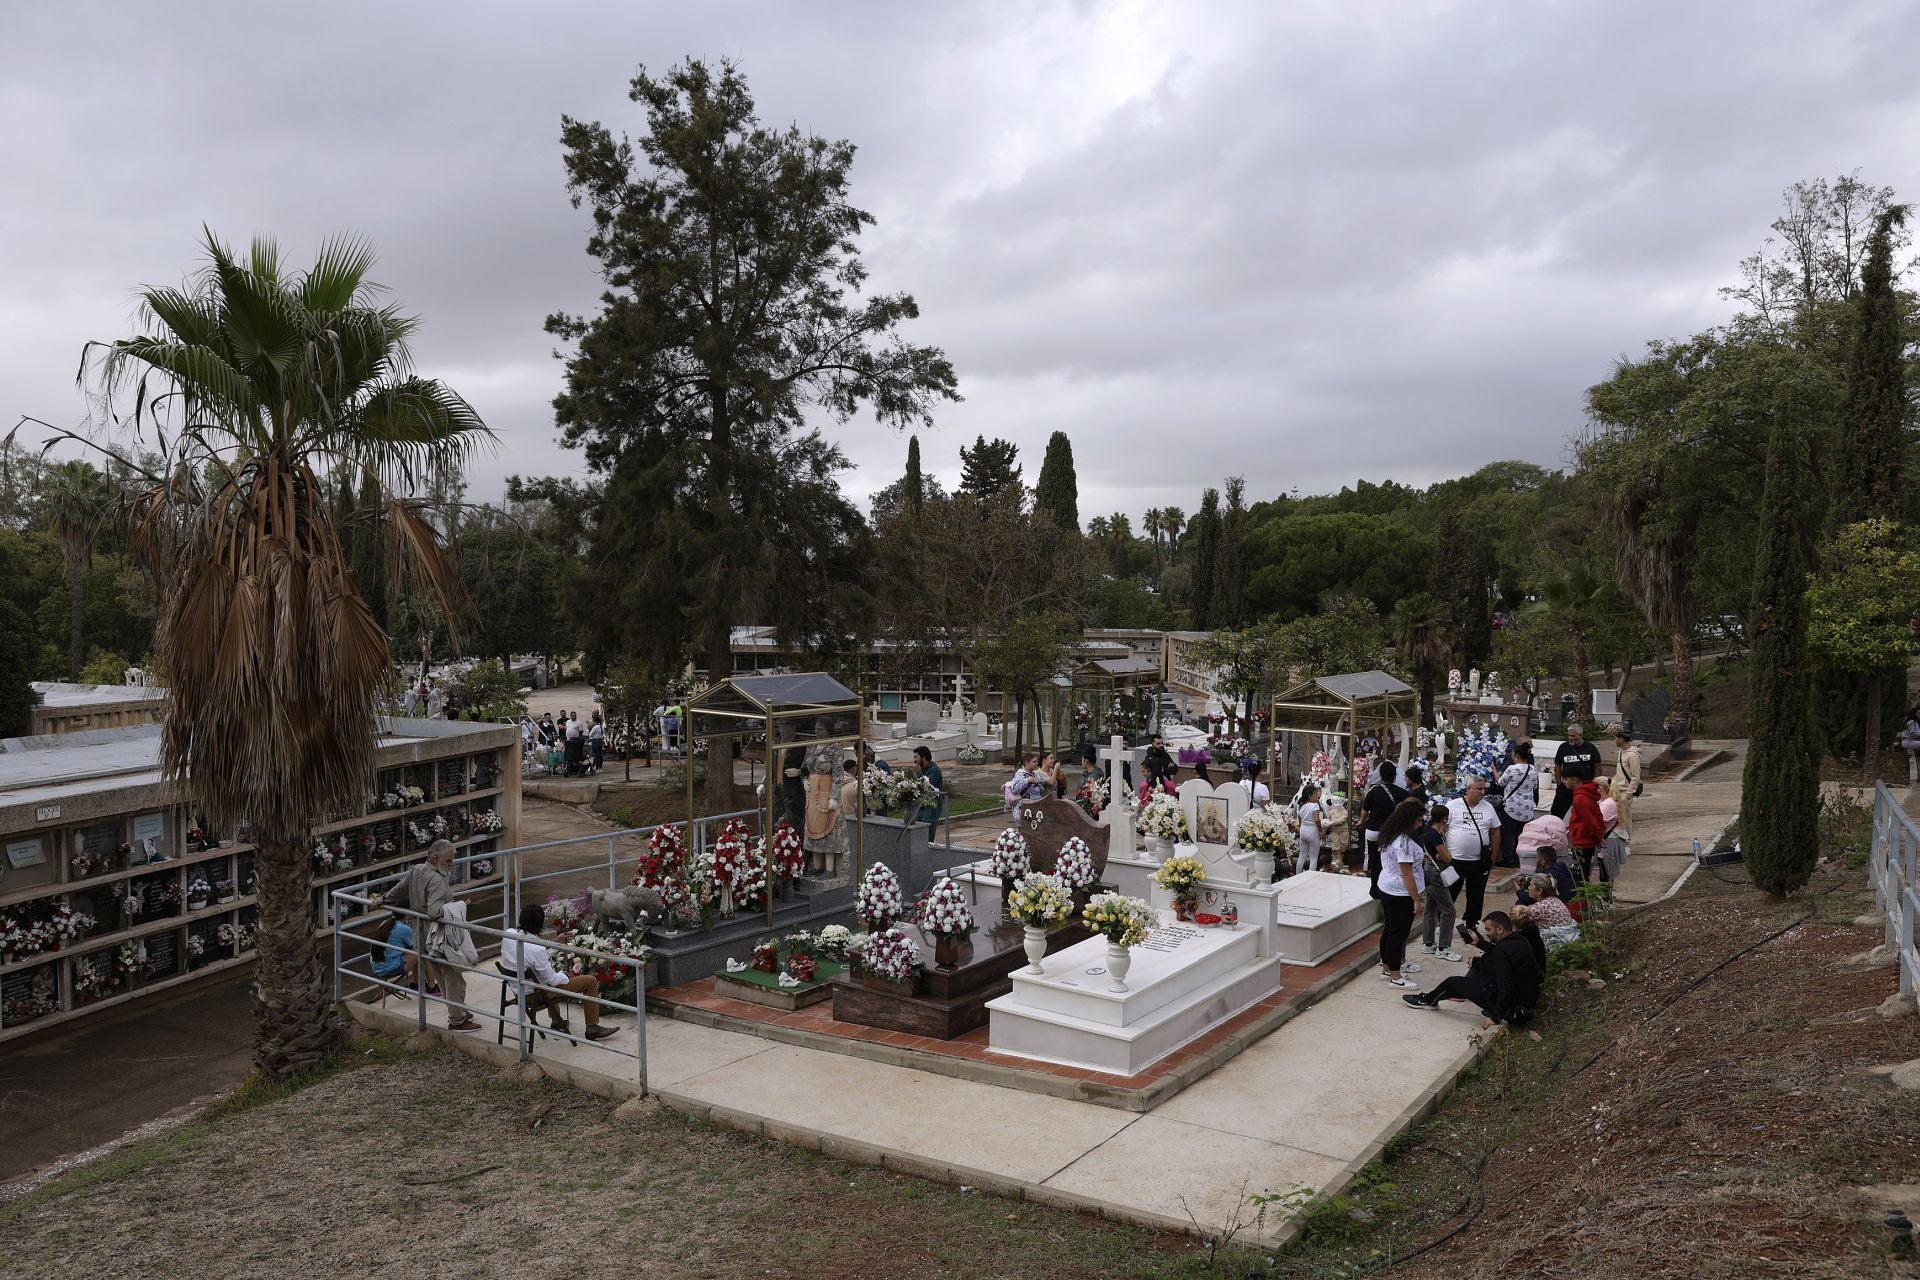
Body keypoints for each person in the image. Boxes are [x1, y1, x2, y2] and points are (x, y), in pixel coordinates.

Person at [368, 840, 478, 1031]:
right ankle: (457, 1020)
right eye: (449, 861)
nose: (452, 864)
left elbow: (400, 889)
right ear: (436, 859)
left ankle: (457, 1011)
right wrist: (458, 907)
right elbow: (435, 911)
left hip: (421, 935)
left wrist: (384, 899)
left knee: (441, 975)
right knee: (453, 977)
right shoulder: (437, 880)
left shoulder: (417, 869)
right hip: (439, 936)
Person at [1402, 910, 1541, 1027]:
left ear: (1500, 929)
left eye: (1488, 929)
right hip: (1527, 1000)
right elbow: (1498, 952)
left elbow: (1506, 988)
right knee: (1479, 969)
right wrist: (1479, 943)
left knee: (1453, 982)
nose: (1486, 933)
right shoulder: (1519, 939)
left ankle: (1427, 1001)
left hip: (1513, 1007)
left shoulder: (1501, 952)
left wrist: (1495, 1018)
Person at [502, 903, 618, 1041]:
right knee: (590, 981)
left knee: (544, 976)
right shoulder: (536, 950)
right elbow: (551, 980)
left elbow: (529, 947)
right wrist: (564, 974)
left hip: (517, 989)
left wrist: (553, 942)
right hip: (534, 995)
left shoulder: (508, 934)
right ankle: (592, 1028)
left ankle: (557, 1021)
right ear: (540, 924)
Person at [1373, 798, 1427, 988]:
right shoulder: (1403, 842)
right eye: (1418, 820)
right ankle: (1396, 977)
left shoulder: (1391, 833)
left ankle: (1387, 967)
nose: (1420, 824)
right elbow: (1406, 873)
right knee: (1398, 934)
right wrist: (1416, 900)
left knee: (1390, 930)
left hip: (1387, 887)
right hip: (1400, 893)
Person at [1444, 775, 1501, 930]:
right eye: (1479, 789)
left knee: (1476, 895)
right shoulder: (1453, 806)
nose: (1483, 792)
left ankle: (1471, 923)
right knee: (1449, 892)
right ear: (1469, 789)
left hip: (1479, 862)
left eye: (1484, 788)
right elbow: (1442, 829)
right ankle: (1441, 921)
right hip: (1455, 860)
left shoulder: (1488, 807)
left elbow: (1495, 832)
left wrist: (1493, 857)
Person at [1418, 802, 1461, 961]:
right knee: (1449, 910)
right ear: (1444, 818)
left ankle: (1428, 943)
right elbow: (1448, 857)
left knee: (1431, 907)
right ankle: (1443, 947)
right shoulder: (1435, 835)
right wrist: (1444, 854)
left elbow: (1438, 854)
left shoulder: (1428, 832)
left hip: (1429, 871)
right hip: (1436, 874)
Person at [1362, 760, 1406, 889]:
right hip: (1389, 832)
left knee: (1373, 858)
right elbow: (1412, 803)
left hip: (1372, 831)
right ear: (1395, 776)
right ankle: (1385, 887)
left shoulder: (1374, 790)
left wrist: (1361, 821)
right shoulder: (1401, 792)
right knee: (1388, 861)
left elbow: (1365, 808)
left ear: (1380, 775)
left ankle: (1374, 887)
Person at [1493, 742, 1538, 867]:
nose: (1512, 757)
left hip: (1512, 807)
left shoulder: (1512, 769)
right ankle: (1518, 860)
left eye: (1512, 755)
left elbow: (1500, 783)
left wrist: (1494, 770)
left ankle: (1508, 860)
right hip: (1527, 808)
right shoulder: (1533, 769)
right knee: (1520, 836)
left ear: (1517, 756)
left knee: (1508, 835)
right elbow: (1534, 786)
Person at [1551, 724, 1602, 820]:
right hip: (1566, 788)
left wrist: (1594, 784)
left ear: (1580, 735)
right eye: (1569, 735)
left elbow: (1597, 766)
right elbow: (1557, 765)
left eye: (1573, 736)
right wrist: (1559, 785)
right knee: (1556, 814)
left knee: (1584, 814)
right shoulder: (1563, 747)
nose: (1570, 738)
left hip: (1585, 788)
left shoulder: (1590, 748)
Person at [1567, 768, 1606, 884]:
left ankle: (1584, 901)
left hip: (1582, 843)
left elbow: (1591, 822)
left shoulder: (1580, 798)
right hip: (1587, 841)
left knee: (1581, 878)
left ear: (1575, 780)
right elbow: (1598, 817)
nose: (1564, 781)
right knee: (1585, 875)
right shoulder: (1587, 794)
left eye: (1566, 778)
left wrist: (1598, 838)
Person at [1523, 876, 1581, 948]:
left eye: (1531, 885)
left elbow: (1519, 916)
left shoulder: (1540, 907)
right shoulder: (1555, 900)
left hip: (1558, 944)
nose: (1528, 887)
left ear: (1539, 891)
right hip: (1570, 938)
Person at [1610, 729, 1643, 837]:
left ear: (1621, 739)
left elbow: (1636, 777)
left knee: (1626, 819)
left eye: (1616, 738)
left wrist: (1628, 795)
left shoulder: (1632, 755)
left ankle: (1627, 843)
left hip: (1626, 792)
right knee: (1617, 819)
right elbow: (1620, 773)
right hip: (1617, 790)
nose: (1614, 740)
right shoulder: (1621, 752)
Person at [371, 915, 416, 986]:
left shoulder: (384, 923)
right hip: (389, 969)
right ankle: (431, 986)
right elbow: (415, 945)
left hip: (375, 967)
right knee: (420, 952)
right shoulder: (405, 929)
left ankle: (416, 983)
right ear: (406, 913)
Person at [914, 745, 946, 830]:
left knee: (928, 836)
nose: (914, 760)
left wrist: (919, 774)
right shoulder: (922, 769)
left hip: (931, 808)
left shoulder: (934, 770)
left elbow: (927, 787)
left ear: (923, 758)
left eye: (916, 757)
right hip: (921, 806)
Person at [1296, 783, 1325, 874]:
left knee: (1302, 855)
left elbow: (1299, 820)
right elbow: (1317, 820)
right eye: (1316, 796)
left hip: (1303, 830)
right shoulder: (1315, 806)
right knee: (1313, 857)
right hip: (1312, 831)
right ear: (1310, 797)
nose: (1317, 797)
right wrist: (1321, 831)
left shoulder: (1301, 806)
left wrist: (1301, 829)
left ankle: (1297, 875)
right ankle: (1310, 877)